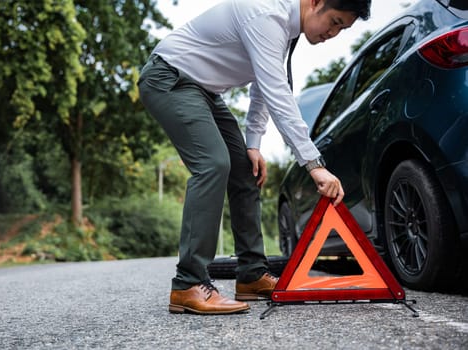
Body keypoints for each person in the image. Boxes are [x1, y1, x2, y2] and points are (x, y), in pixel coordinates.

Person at [138, 0, 371, 315]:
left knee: (245, 171)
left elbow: (263, 87)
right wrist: (315, 165)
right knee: (212, 164)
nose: (333, 33)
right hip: (170, 78)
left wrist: (253, 143)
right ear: (315, 3)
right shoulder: (267, 15)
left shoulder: (287, 33)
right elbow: (277, 93)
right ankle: (188, 284)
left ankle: (250, 275)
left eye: (342, 29)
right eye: (334, 22)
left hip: (205, 92)